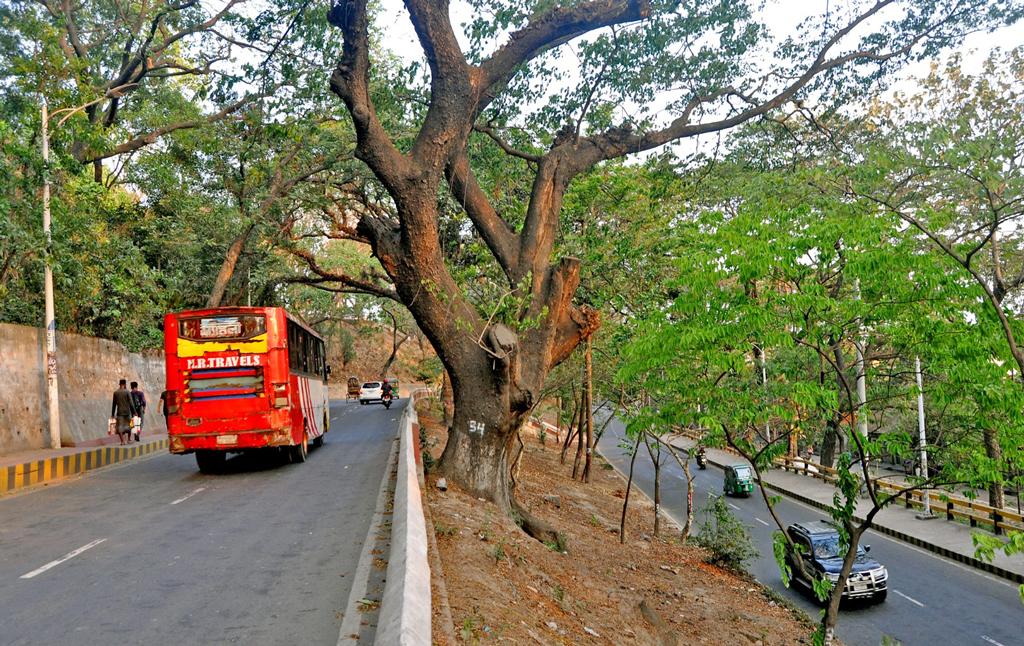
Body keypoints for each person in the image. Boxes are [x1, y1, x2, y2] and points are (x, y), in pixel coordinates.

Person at [111, 379, 137, 446]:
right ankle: (128, 439)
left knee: (120, 427)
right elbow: (131, 403)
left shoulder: (115, 393)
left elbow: (114, 404)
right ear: (125, 384)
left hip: (120, 412)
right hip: (127, 412)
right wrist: (134, 412)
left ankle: (122, 441)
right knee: (131, 425)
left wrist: (112, 414)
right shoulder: (127, 392)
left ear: (119, 384)